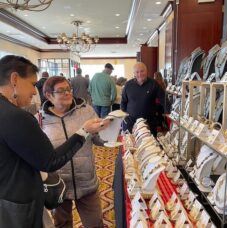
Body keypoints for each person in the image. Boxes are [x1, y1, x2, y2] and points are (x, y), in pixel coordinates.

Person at [0, 55, 108, 228]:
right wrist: (83, 131)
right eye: (33, 84)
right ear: (14, 79)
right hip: (21, 202)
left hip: (83, 182)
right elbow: (49, 161)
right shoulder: (21, 117)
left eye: (69, 89)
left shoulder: (86, 110)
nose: (34, 92)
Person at [41, 76, 105, 228]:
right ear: (49, 95)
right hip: (59, 185)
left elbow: (98, 140)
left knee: (95, 224)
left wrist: (108, 131)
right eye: (61, 91)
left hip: (87, 182)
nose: (68, 93)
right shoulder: (40, 120)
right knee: (62, 224)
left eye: (69, 89)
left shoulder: (86, 111)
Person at [121, 62, 166, 136]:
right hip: (131, 122)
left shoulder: (154, 84)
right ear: (134, 73)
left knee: (150, 146)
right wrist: (124, 115)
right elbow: (123, 102)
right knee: (131, 145)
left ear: (146, 71)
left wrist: (169, 112)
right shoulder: (128, 85)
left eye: (142, 71)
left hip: (149, 123)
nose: (140, 74)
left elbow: (163, 99)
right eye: (137, 72)